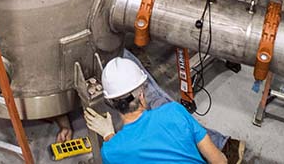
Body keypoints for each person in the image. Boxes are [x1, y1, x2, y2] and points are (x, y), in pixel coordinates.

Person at [85, 57, 233, 164]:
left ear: (110, 102)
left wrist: (108, 135)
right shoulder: (174, 111)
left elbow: (120, 151)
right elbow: (219, 160)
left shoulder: (110, 151)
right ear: (141, 95)